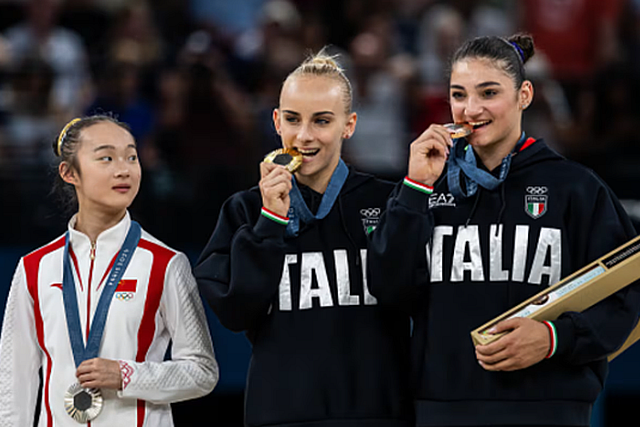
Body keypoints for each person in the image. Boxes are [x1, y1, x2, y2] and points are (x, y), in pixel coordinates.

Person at [367, 33, 640, 427]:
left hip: (550, 408)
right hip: (443, 408)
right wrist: (413, 189)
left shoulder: (575, 188)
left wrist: (554, 338)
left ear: (524, 95)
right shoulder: (424, 187)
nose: (470, 109)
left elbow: (624, 294)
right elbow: (388, 289)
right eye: (458, 95)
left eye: (488, 92)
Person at [194, 51, 412, 427]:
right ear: (277, 121)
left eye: (322, 121)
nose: (304, 135)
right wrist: (270, 221)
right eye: (293, 119)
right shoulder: (245, 210)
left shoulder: (389, 201)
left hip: (378, 413)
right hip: (280, 414)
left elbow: (414, 295)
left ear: (349, 125)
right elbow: (235, 312)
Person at [0, 115, 219, 426]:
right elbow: (13, 381)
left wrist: (127, 375)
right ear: (69, 172)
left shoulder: (166, 264)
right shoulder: (34, 269)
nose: (124, 169)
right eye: (106, 158)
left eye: (131, 157)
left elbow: (202, 371)